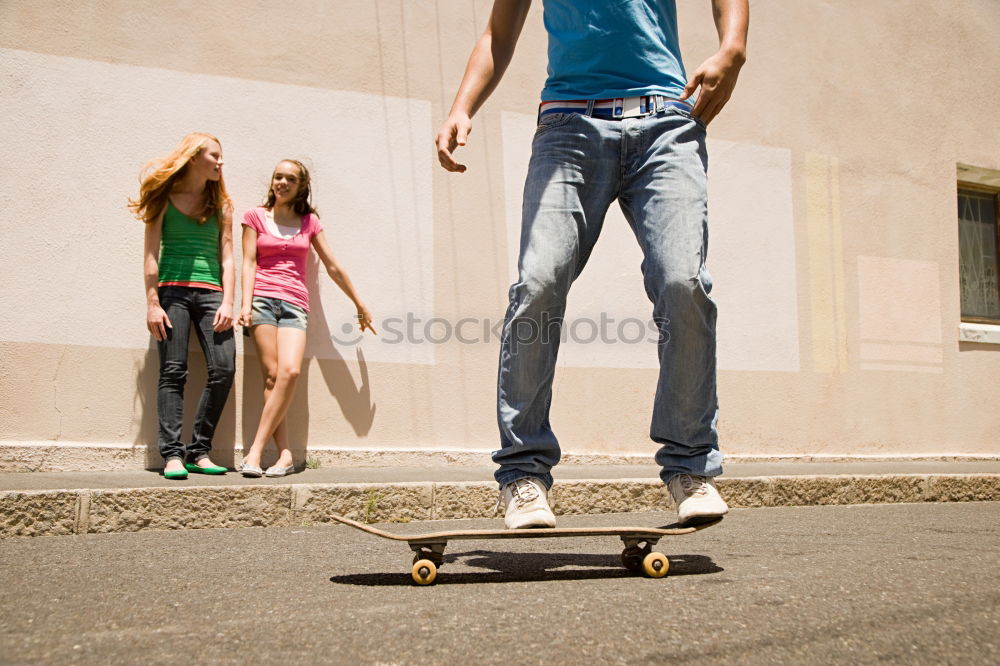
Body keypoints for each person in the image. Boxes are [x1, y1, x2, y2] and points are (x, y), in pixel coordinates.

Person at [435, 0, 749, 527]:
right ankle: (523, 474)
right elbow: (498, 31)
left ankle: (690, 467)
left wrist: (732, 47)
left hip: (666, 123)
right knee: (538, 284)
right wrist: (462, 106)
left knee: (683, 282)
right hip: (568, 126)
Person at [237, 160, 376, 477]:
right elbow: (248, 262)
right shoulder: (254, 217)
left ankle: (255, 450)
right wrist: (244, 305)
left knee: (290, 371)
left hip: (295, 304)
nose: (281, 182)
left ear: (301, 185)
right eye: (277, 176)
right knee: (272, 377)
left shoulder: (309, 222)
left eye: (290, 178)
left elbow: (332, 266)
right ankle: (283, 454)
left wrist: (359, 303)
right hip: (261, 301)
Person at [130, 132, 236, 480]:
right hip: (171, 293)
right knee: (173, 372)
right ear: (194, 158)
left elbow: (228, 258)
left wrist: (228, 301)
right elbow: (150, 255)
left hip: (211, 296)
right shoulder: (164, 198)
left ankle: (199, 451)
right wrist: (152, 303)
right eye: (215, 156)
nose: (221, 163)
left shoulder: (221, 204)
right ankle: (173, 455)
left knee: (223, 369)